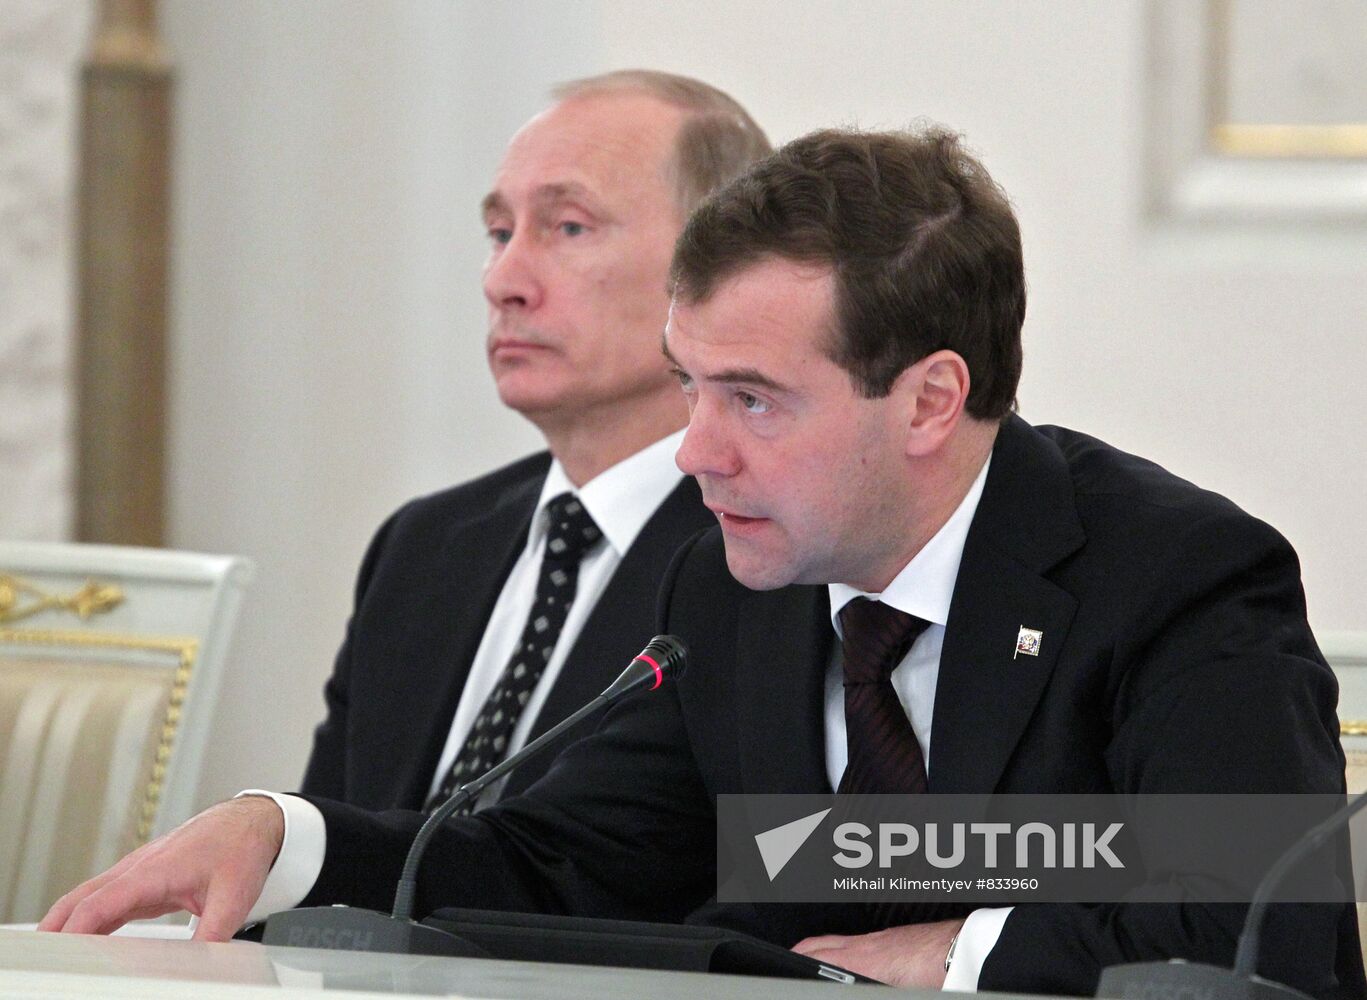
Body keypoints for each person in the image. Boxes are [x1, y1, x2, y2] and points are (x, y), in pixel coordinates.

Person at [42, 126, 1361, 998]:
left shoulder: (1172, 578)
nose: (694, 453)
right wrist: (289, 836)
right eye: (689, 388)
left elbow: (1261, 927)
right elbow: (571, 861)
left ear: (923, 400)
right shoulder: (737, 593)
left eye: (752, 399)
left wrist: (953, 948)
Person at [298, 70, 769, 813]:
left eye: (568, 227)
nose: (503, 280)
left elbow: (795, 859)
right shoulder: (423, 546)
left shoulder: (775, 550)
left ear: (720, 269)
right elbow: (322, 858)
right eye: (498, 232)